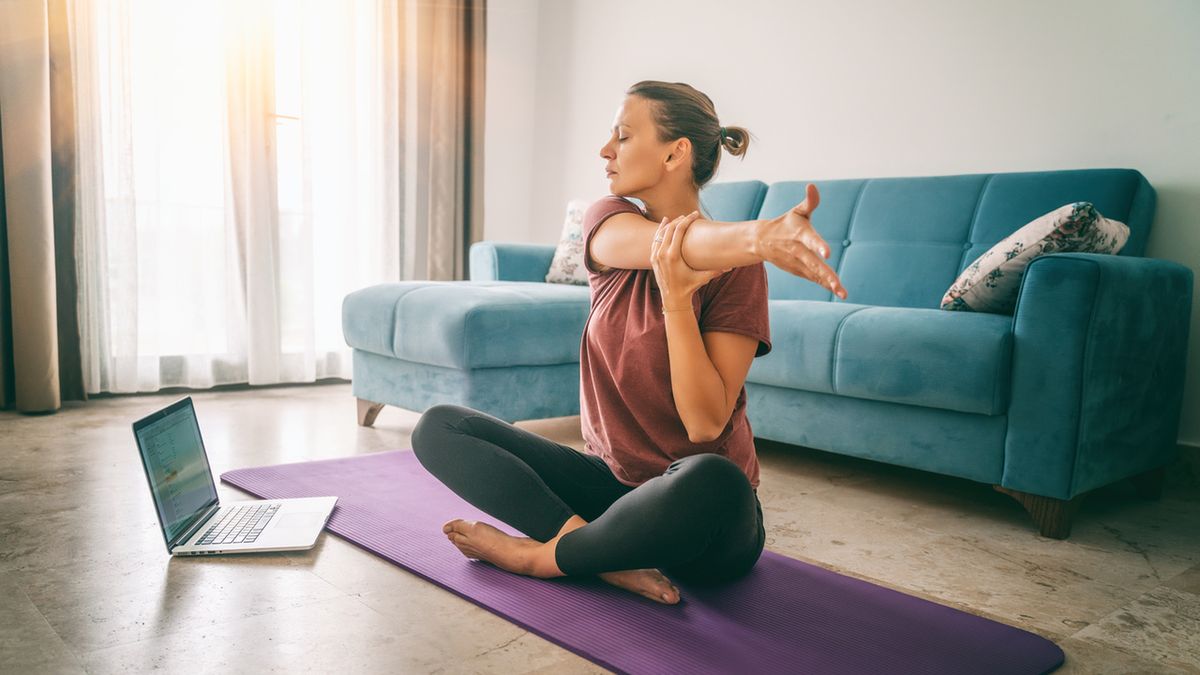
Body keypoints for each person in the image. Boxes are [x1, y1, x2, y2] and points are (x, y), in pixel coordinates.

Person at [411, 80, 848, 605]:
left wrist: (679, 302)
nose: (605, 150)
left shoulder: (739, 274)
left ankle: (542, 557)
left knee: (713, 477)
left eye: (622, 135)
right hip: (611, 490)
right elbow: (675, 244)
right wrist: (757, 237)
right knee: (440, 426)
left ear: (675, 152)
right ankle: (590, 549)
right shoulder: (608, 219)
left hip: (699, 516)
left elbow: (705, 424)